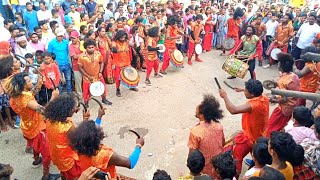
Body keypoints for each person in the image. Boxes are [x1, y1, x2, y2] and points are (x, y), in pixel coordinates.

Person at [4, 72, 59, 179]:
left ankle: (36, 158)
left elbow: (30, 94)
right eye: (29, 81)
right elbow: (45, 111)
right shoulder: (26, 100)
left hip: (26, 126)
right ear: (23, 85)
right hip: (37, 128)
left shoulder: (16, 96)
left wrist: (39, 84)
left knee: (35, 145)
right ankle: (46, 175)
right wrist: (53, 97)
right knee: (47, 152)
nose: (31, 82)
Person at [219, 79, 269, 176]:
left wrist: (224, 96)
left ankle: (235, 175)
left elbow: (233, 110)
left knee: (237, 156)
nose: (244, 92)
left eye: (246, 91)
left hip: (249, 138)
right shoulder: (264, 98)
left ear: (252, 94)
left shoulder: (254, 104)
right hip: (260, 135)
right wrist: (242, 89)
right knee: (257, 156)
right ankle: (255, 164)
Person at [68, 120, 144, 179]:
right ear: (98, 137)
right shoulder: (105, 155)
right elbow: (130, 163)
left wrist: (99, 117)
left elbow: (88, 133)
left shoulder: (77, 148)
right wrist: (139, 145)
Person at [44, 93, 83, 179]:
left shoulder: (49, 119)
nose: (74, 109)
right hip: (68, 159)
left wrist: (72, 111)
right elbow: (79, 142)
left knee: (64, 174)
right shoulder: (67, 127)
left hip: (56, 155)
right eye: (73, 108)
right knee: (75, 176)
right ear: (67, 110)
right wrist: (85, 120)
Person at [188, 94, 224, 177]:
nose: (195, 110)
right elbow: (222, 143)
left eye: (197, 110)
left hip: (204, 168)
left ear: (201, 115)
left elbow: (192, 155)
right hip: (218, 167)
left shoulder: (196, 131)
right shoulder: (219, 126)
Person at [266, 53, 300, 137]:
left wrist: (274, 100)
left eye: (279, 63)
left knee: (271, 127)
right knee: (283, 125)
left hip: (284, 109)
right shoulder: (293, 76)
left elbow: (284, 99)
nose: (277, 64)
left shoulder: (283, 80)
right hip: (293, 106)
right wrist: (277, 83)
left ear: (281, 66)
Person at [78, 39, 112, 107]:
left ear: (94, 47)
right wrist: (87, 76)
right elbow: (80, 68)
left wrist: (100, 72)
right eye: (89, 48)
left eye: (92, 47)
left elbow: (101, 62)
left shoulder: (98, 54)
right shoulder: (81, 57)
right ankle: (86, 103)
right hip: (87, 77)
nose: (91, 49)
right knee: (86, 92)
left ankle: (104, 99)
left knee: (103, 88)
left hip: (98, 75)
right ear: (85, 48)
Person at [111, 30, 137, 97]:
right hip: (118, 63)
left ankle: (132, 86)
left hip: (126, 61)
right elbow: (113, 49)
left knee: (130, 74)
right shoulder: (114, 42)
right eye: (121, 37)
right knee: (118, 78)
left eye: (124, 37)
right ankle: (117, 89)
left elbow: (133, 45)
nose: (123, 39)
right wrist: (120, 50)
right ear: (118, 37)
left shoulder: (126, 41)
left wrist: (135, 44)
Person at [48, 27, 72, 92]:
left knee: (68, 79)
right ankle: (60, 94)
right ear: (56, 35)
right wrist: (53, 61)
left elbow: (67, 52)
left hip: (66, 62)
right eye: (59, 36)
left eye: (62, 36)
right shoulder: (51, 43)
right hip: (57, 64)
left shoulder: (66, 42)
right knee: (58, 79)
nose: (60, 37)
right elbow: (50, 54)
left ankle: (70, 92)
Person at [69, 31, 83, 98]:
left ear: (78, 38)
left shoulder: (82, 43)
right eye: (71, 38)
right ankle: (80, 97)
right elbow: (74, 57)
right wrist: (84, 54)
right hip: (76, 67)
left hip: (85, 66)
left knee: (86, 82)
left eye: (74, 38)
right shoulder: (70, 46)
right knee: (78, 83)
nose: (72, 39)